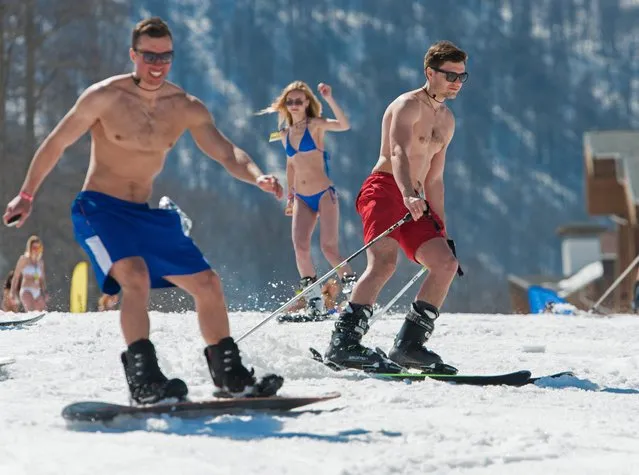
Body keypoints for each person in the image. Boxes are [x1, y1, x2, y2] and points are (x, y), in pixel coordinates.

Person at [2, 17, 284, 403]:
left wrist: (257, 176)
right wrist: (27, 195)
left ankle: (230, 376)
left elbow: (225, 151)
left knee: (208, 284)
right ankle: (144, 381)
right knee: (133, 276)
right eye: (149, 55)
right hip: (99, 210)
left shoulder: (184, 106)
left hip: (145, 214)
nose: (157, 64)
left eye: (165, 56)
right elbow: (57, 143)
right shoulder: (104, 96)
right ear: (133, 55)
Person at [323, 41, 468, 373]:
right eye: (450, 75)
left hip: (416, 197)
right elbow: (399, 152)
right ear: (430, 72)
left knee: (445, 264)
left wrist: (440, 228)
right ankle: (343, 343)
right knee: (384, 264)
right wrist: (406, 193)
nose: (456, 83)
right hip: (385, 189)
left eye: (462, 77)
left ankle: (409, 346)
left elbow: (435, 178)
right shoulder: (407, 106)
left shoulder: (446, 120)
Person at [259, 81, 357, 320]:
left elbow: (344, 125)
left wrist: (329, 98)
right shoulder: (283, 134)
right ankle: (314, 301)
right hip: (302, 197)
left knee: (328, 248)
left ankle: (356, 295)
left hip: (324, 193)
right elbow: (291, 164)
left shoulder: (315, 125)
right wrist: (290, 195)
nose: (294, 105)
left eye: (298, 101)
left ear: (307, 104)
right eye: (289, 101)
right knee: (300, 248)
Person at [10, 236, 48, 312]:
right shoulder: (24, 259)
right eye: (34, 247)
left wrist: (45, 292)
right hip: (26, 290)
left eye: (38, 248)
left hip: (37, 292)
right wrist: (12, 292)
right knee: (31, 311)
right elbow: (16, 277)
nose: (36, 250)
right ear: (30, 248)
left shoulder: (40, 262)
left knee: (43, 312)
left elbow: (42, 280)